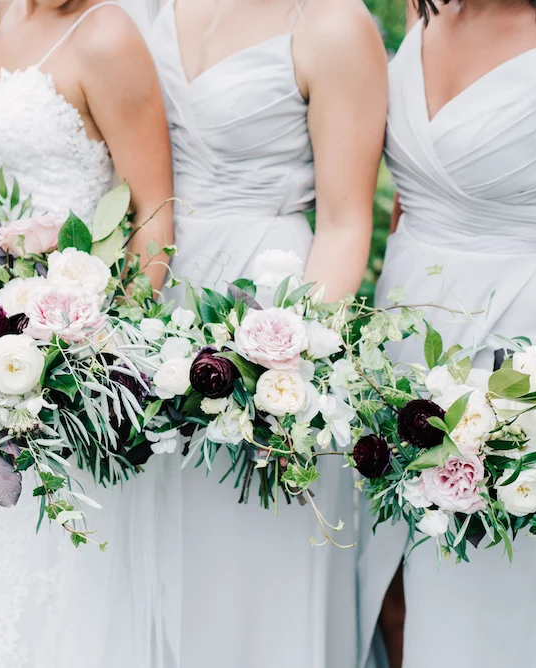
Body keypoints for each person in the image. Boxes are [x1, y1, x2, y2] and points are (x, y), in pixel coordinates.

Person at [357, 0, 536, 665]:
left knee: (478, 605)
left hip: (515, 346)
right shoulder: (432, 12)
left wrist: (523, 393)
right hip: (403, 332)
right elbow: (410, 202)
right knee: (385, 593)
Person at [139, 0, 387, 665]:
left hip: (272, 301)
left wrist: (287, 362)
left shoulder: (333, 25)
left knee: (256, 551)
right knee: (167, 543)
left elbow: (345, 222)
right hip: (163, 300)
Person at [0, 1, 175, 667]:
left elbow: (152, 218)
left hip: (69, 367)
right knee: (3, 574)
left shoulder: (105, 32)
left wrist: (79, 357)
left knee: (71, 577)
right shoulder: (7, 13)